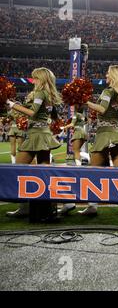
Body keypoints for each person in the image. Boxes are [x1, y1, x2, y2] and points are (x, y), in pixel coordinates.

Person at [78, 65, 118, 221]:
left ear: (114, 75)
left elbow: (101, 109)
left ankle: (92, 206)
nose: (106, 74)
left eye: (108, 73)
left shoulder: (108, 91)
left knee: (93, 173)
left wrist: (85, 101)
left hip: (105, 135)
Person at [5, 67, 62, 218]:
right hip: (44, 134)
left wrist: (12, 105)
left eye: (35, 78)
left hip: (36, 135)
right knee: (44, 173)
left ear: (41, 79)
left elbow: (32, 113)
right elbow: (54, 117)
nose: (33, 80)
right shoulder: (49, 95)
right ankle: (46, 207)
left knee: (18, 170)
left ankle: (24, 207)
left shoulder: (40, 92)